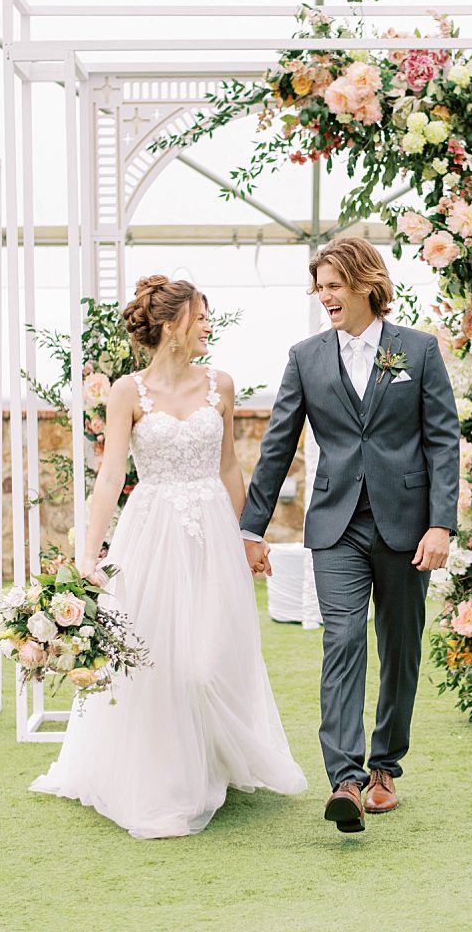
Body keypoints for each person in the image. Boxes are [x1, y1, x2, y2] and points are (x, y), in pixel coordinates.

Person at [31, 275, 306, 839]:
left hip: (212, 533)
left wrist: (248, 537)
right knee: (157, 661)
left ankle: (214, 761)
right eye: (201, 316)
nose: (209, 325)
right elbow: (110, 475)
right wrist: (88, 554)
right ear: (173, 325)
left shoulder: (220, 386)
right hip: (150, 535)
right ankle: (168, 780)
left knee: (208, 660)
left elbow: (231, 467)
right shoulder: (127, 393)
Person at [240, 236, 459, 833]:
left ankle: (386, 764)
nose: (324, 296)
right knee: (342, 639)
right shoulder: (305, 356)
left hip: (407, 526)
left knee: (400, 646)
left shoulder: (418, 349)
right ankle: (346, 778)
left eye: (333, 285)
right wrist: (251, 529)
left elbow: (442, 440)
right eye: (319, 287)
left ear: (365, 283)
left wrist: (441, 523)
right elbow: (278, 445)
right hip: (335, 523)